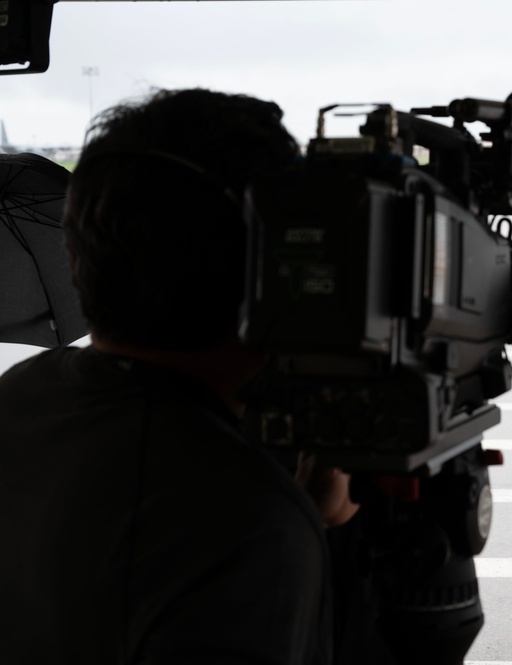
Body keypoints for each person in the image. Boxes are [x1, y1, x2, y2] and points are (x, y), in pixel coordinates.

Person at [0, 89, 358, 663]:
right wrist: (298, 527)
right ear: (268, 260)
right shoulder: (249, 518)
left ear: (76, 249)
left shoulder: (20, 395)